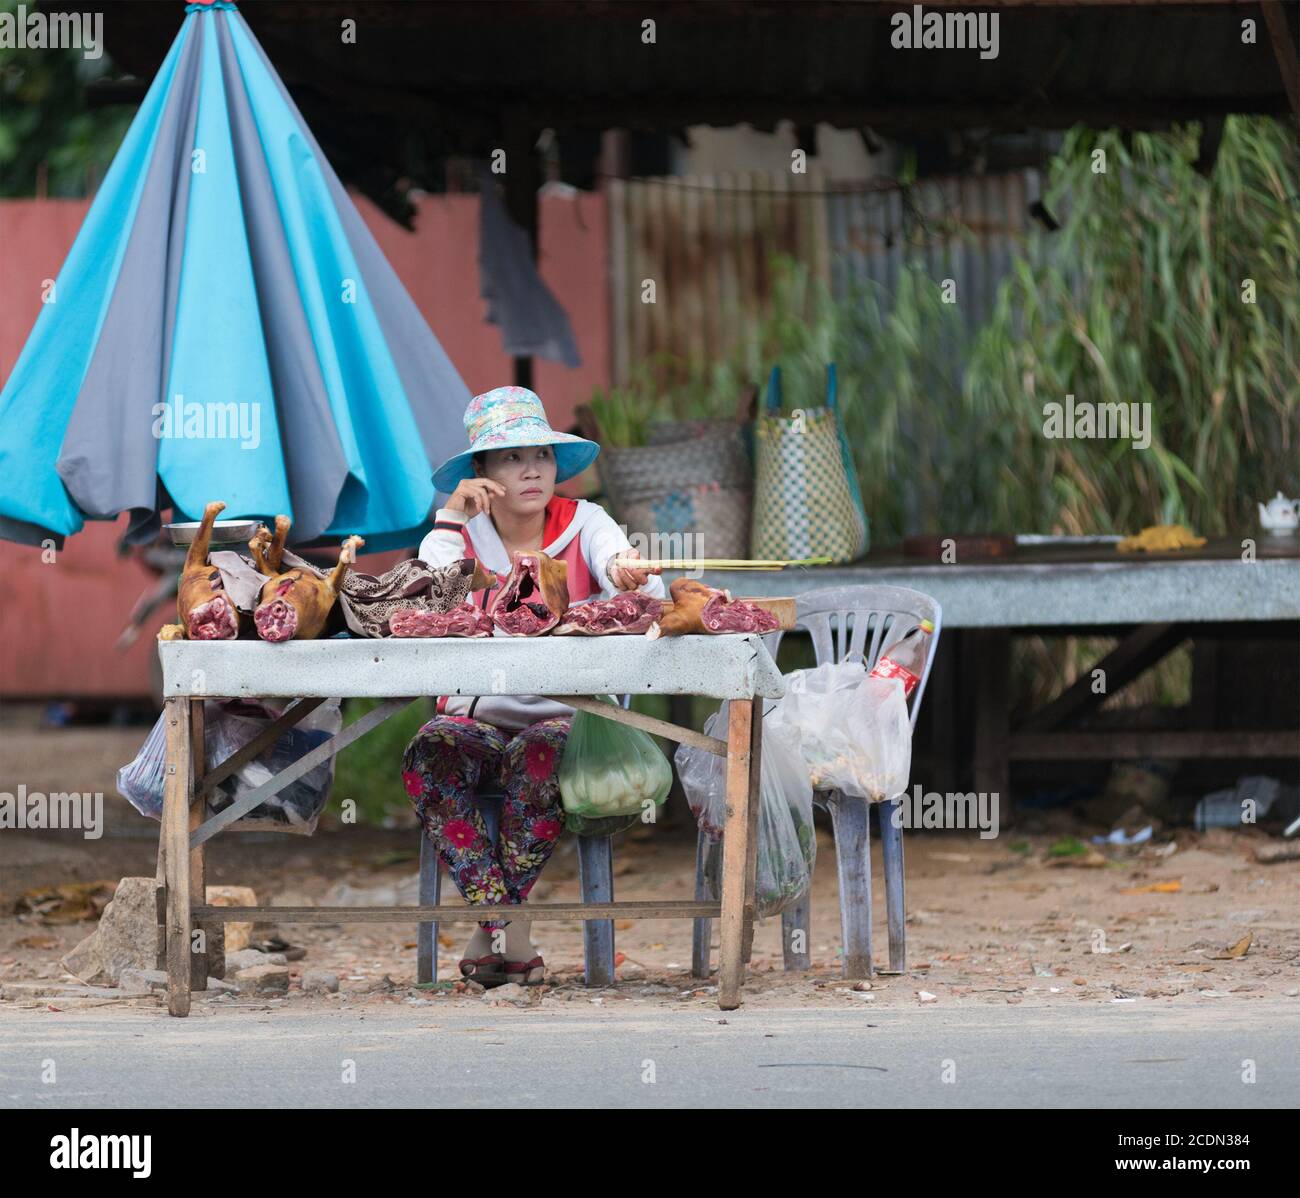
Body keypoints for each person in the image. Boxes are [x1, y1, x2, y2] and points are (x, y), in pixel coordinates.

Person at [402, 385, 664, 988]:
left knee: (541, 752)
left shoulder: (586, 523)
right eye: (512, 458)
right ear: (482, 472)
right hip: (477, 716)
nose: (532, 470)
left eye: (541, 456)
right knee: (430, 751)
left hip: (564, 718)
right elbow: (427, 595)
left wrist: (626, 570)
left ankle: (493, 930)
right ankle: (508, 925)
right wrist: (449, 518)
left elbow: (628, 574)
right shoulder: (460, 535)